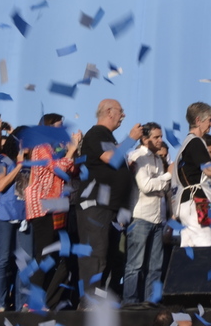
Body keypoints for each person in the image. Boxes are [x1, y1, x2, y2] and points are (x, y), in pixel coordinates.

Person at [79, 99, 141, 296]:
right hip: (95, 206)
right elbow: (109, 158)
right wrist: (130, 140)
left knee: (108, 257)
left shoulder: (109, 137)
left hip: (111, 209)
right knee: (96, 256)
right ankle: (89, 303)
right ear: (109, 112)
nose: (123, 115)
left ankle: (99, 302)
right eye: (120, 111)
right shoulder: (96, 133)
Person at [23, 113, 80, 310]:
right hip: (43, 206)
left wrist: (71, 151)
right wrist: (71, 151)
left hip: (56, 206)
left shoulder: (55, 149)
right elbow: (58, 169)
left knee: (57, 257)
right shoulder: (41, 148)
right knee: (45, 255)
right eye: (58, 126)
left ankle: (48, 301)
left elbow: (72, 172)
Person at [123, 124, 171, 305]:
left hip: (157, 218)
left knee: (155, 266)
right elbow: (146, 186)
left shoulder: (158, 159)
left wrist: (160, 182)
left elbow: (161, 188)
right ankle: (130, 303)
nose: (160, 140)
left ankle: (150, 303)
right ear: (144, 139)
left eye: (161, 136)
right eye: (156, 137)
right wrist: (167, 176)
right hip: (141, 217)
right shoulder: (138, 156)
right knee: (135, 265)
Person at [175, 102, 211, 247]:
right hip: (196, 202)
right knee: (206, 245)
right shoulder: (195, 142)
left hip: (186, 203)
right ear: (198, 120)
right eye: (209, 120)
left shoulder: (187, 143)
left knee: (188, 248)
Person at [0, 134, 25, 309]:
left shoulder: (31, 162)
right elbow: (0, 185)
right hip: (4, 214)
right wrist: (19, 166)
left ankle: (21, 304)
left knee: (23, 261)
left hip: (24, 216)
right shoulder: (3, 160)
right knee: (2, 260)